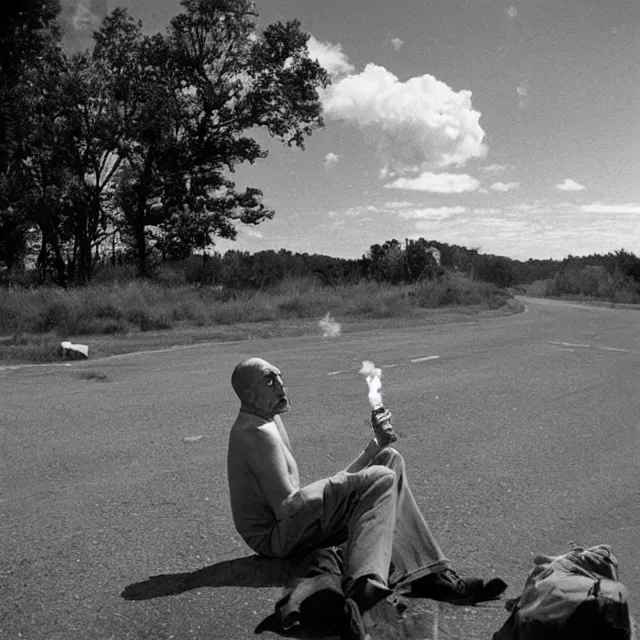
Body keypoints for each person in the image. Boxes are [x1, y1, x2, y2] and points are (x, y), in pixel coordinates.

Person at [227, 357, 506, 624]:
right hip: (275, 539)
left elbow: (302, 499)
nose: (280, 385)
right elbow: (288, 505)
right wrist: (351, 483)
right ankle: (365, 584)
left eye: (279, 377)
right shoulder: (257, 434)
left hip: (290, 523)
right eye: (269, 380)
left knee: (389, 459)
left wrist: (375, 446)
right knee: (380, 477)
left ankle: (429, 574)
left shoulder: (269, 418)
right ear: (250, 396)